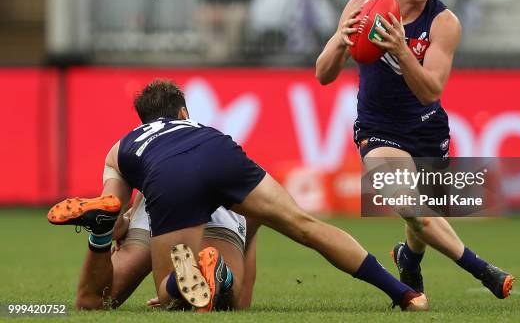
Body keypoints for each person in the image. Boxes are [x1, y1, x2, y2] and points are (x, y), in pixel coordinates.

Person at [48, 79, 428, 312]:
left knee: (104, 300)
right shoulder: (201, 127)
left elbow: (114, 214)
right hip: (221, 158)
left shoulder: (123, 146)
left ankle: (184, 282)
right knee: (304, 227)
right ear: (183, 111)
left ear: (142, 120)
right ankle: (404, 293)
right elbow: (255, 225)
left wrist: (111, 230)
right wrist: (252, 228)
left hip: (164, 186)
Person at [315, 0, 514, 309]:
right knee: (412, 207)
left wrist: (402, 50)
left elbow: (430, 91)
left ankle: (410, 259)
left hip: (428, 130)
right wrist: (340, 39)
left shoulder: (444, 23)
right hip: (378, 129)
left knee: (420, 221)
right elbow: (323, 75)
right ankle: (482, 269)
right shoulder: (361, 5)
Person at [80, 191, 257, 310]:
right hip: (214, 202)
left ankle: (175, 287)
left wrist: (125, 220)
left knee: (95, 300)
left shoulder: (131, 144)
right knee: (234, 302)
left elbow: (117, 194)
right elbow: (258, 207)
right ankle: (220, 277)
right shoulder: (228, 154)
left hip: (155, 202)